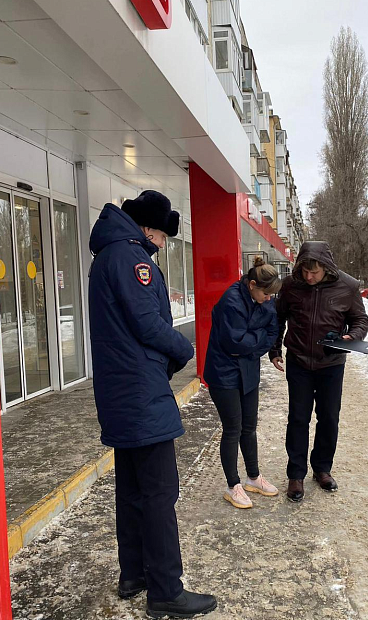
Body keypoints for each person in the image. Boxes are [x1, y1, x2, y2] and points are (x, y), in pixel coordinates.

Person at [88, 190, 217, 619]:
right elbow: (148, 322)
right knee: (161, 493)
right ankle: (166, 590)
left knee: (132, 488)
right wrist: (184, 350)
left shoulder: (107, 255)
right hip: (142, 394)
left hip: (119, 394)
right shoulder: (132, 258)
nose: (162, 244)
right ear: (147, 228)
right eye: (162, 236)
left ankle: (135, 573)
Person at [269, 241, 368, 503]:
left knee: (328, 418)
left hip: (332, 363)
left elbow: (360, 319)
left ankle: (322, 468)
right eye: (304, 271)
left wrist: (353, 335)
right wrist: (274, 349)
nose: (308, 277)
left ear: (326, 268)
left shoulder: (347, 286)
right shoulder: (291, 285)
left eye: (314, 272)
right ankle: (296, 474)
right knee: (298, 418)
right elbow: (278, 318)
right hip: (300, 361)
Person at [204, 258, 281, 509]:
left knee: (249, 426)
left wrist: (253, 342)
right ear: (251, 285)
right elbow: (234, 343)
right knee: (232, 428)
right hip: (223, 373)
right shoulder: (231, 301)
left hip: (248, 370)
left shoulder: (265, 301)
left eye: (272, 295)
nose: (269, 299)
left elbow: (272, 332)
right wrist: (253, 342)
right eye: (265, 293)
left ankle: (253, 477)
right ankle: (232, 485)